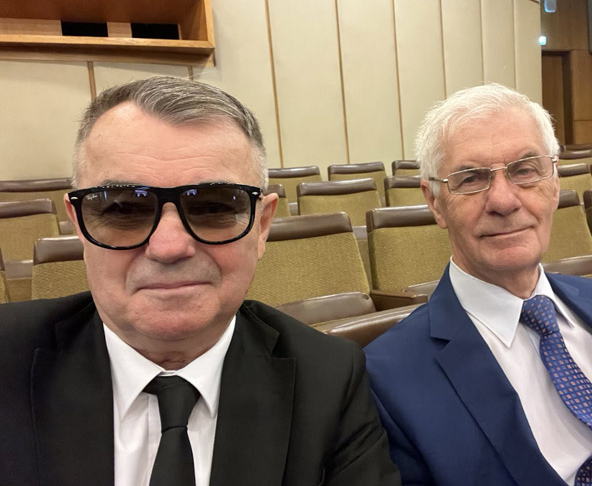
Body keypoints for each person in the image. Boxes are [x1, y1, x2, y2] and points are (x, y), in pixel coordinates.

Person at [0, 77, 399, 486]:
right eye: (123, 210)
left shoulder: (329, 378)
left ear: (262, 226)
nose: (169, 247)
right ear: (79, 225)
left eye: (213, 207)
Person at [364, 83, 592, 485]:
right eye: (471, 178)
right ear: (435, 202)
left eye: (525, 170)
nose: (504, 201)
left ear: (554, 183)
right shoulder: (387, 376)